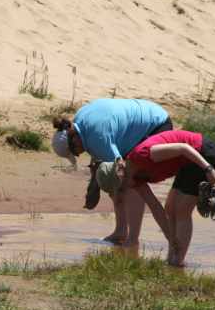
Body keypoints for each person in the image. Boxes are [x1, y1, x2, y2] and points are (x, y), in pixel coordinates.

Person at [51, 98, 173, 245]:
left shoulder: (98, 138)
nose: (79, 154)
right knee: (113, 182)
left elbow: (120, 171)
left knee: (133, 182)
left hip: (156, 125)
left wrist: (110, 188)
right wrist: (95, 185)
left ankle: (132, 239)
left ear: (74, 140)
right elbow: (103, 165)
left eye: (75, 153)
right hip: (139, 123)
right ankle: (121, 231)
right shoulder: (79, 122)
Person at [94, 129, 215, 266]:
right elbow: (155, 207)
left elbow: (183, 148)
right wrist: (171, 239)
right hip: (186, 162)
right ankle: (173, 257)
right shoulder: (134, 179)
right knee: (170, 208)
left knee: (181, 210)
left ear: (120, 171)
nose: (125, 190)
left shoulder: (142, 155)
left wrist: (208, 169)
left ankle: (177, 262)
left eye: (121, 186)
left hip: (202, 153)